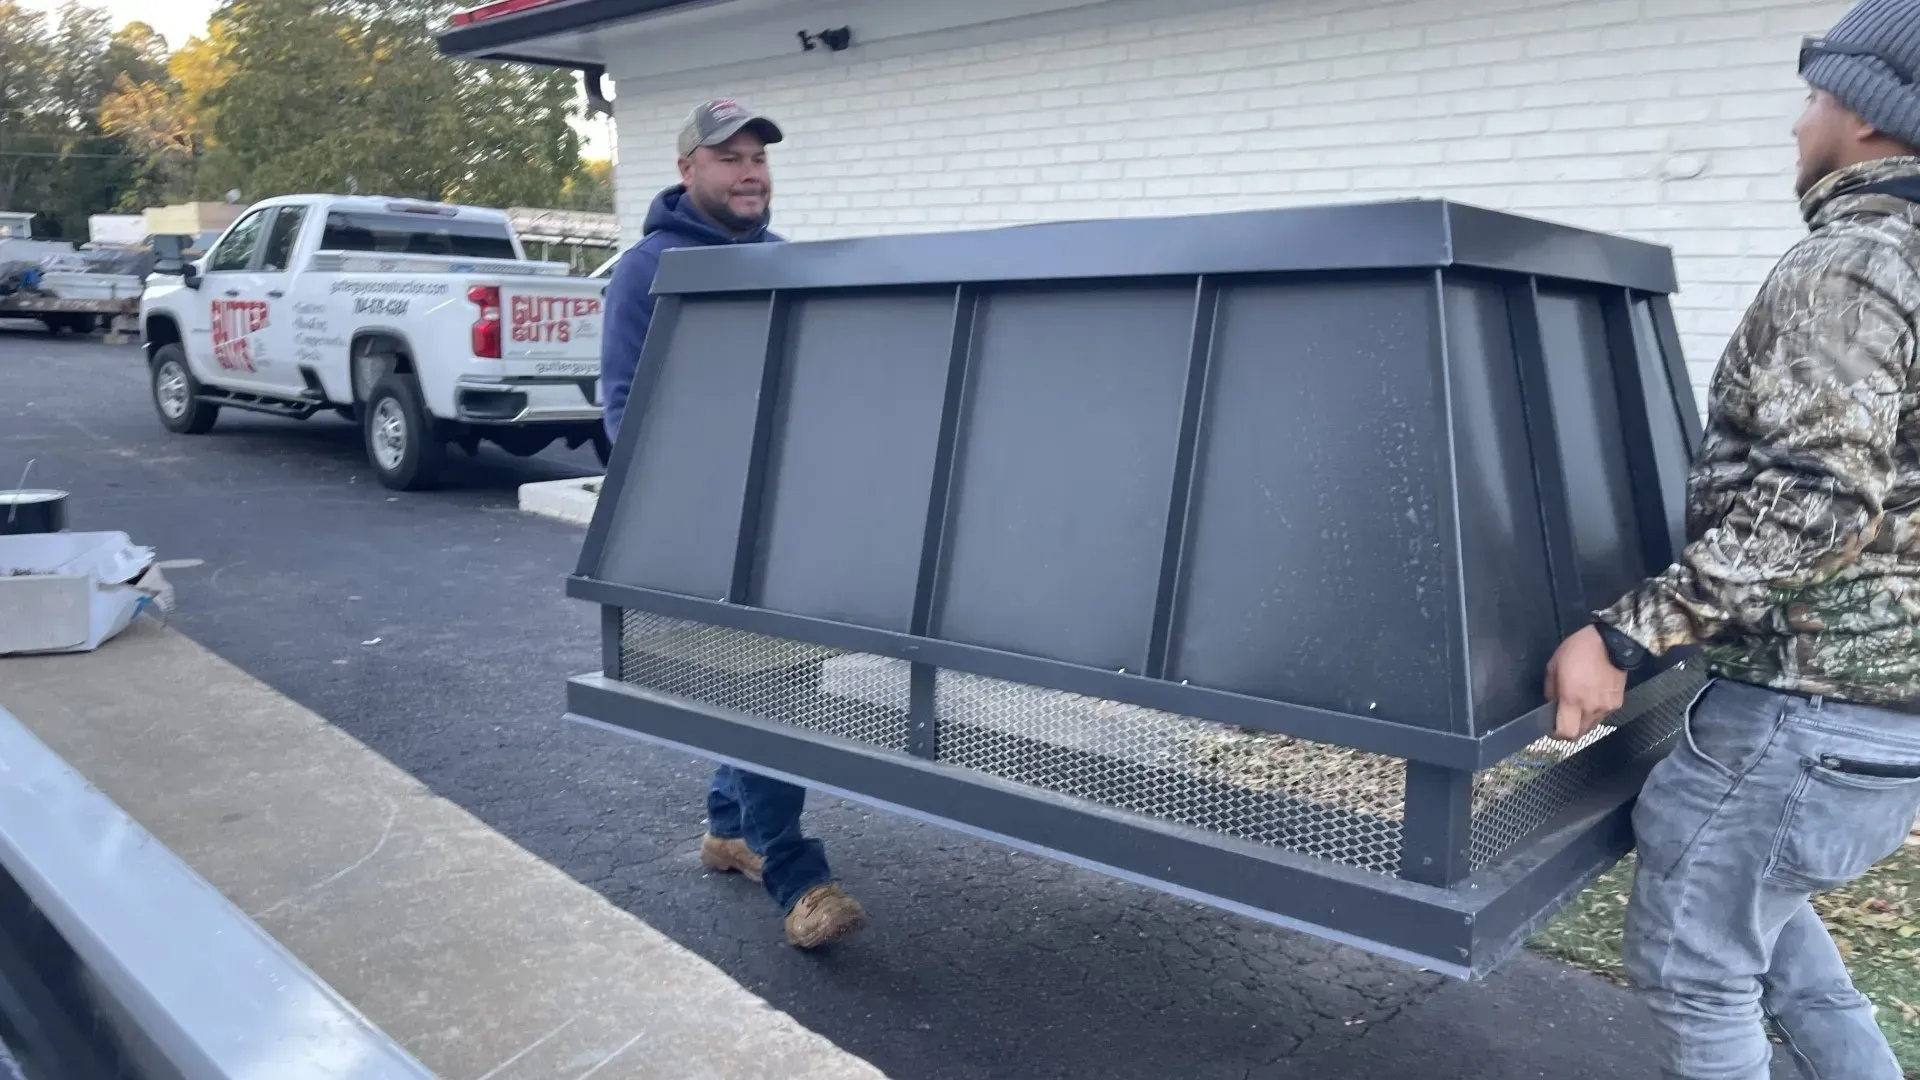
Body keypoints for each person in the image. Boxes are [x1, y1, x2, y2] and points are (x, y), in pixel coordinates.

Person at [1543, 2, 1920, 1076]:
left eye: (1814, 98)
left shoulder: (1854, 267)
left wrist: (1624, 639)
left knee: (1696, 971)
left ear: (1871, 117)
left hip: (1804, 718)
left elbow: (1818, 502)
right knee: (1783, 954)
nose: (1799, 125)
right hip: (1876, 727)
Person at [598, 98, 868, 950]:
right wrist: (688, 511)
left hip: (793, 522)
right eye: (729, 159)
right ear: (687, 172)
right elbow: (622, 409)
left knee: (771, 687)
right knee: (765, 696)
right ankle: (797, 875)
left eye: (758, 158)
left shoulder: (787, 261)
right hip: (713, 532)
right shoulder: (651, 269)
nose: (750, 172)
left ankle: (727, 830)